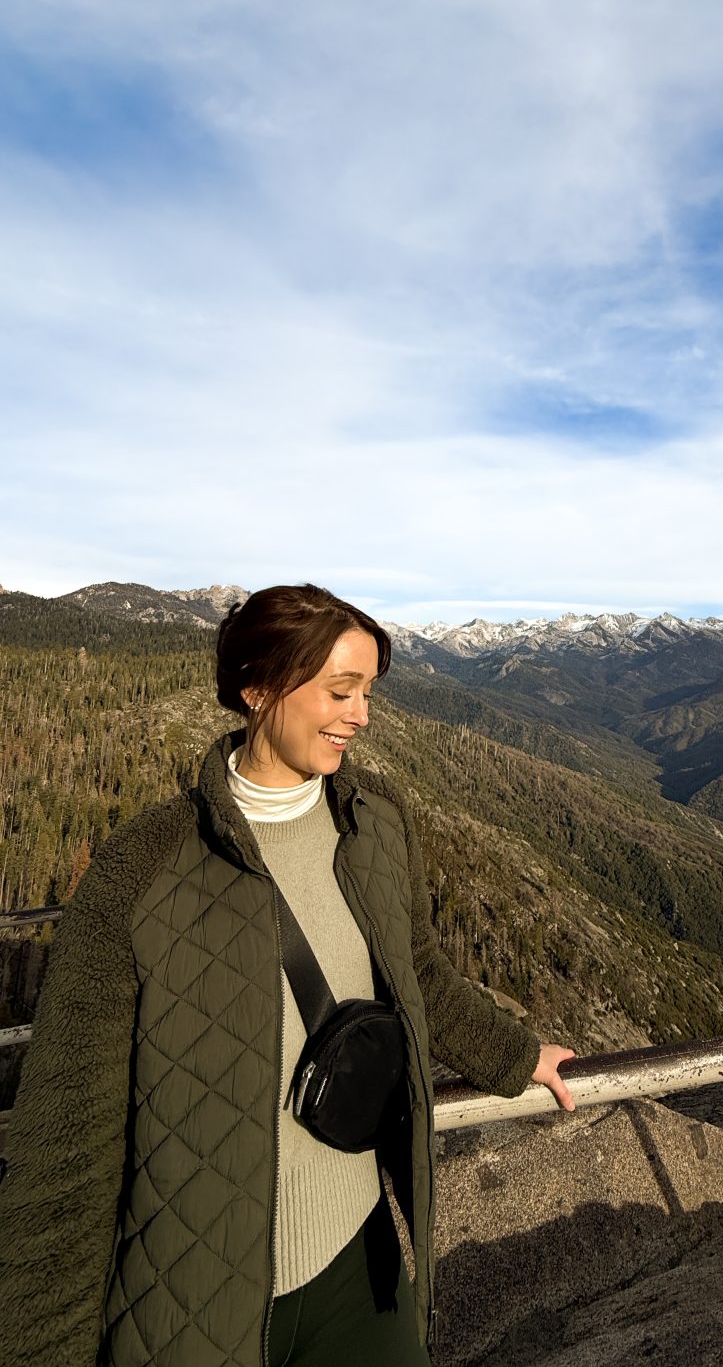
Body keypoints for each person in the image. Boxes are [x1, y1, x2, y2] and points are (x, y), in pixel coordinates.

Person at [0, 583, 576, 1365]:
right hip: (193, 1302)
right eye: (341, 691)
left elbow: (421, 975)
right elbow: (67, 1141)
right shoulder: (141, 869)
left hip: (360, 1264)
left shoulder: (374, 820)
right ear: (258, 687)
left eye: (368, 692)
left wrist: (517, 1055)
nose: (362, 716)